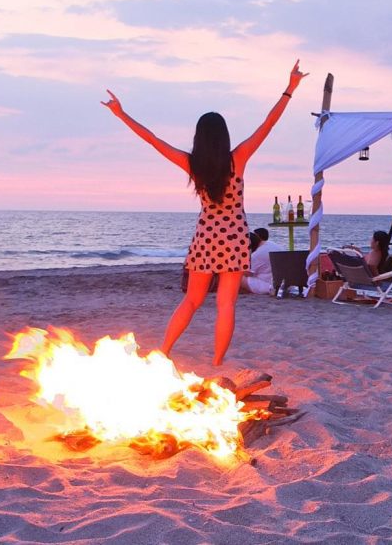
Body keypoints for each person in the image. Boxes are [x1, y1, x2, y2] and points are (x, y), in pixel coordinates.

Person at [101, 60, 308, 365]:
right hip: (236, 238)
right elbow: (268, 124)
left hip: (206, 237)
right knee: (226, 305)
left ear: (199, 138)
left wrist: (121, 114)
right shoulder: (238, 157)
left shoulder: (192, 164)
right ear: (223, 136)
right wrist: (290, 88)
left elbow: (153, 140)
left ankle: (164, 351)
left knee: (192, 300)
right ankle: (216, 362)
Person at [241, 228, 283, 295]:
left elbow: (246, 273)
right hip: (282, 282)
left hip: (269, 285)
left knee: (238, 277)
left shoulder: (256, 255)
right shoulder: (271, 244)